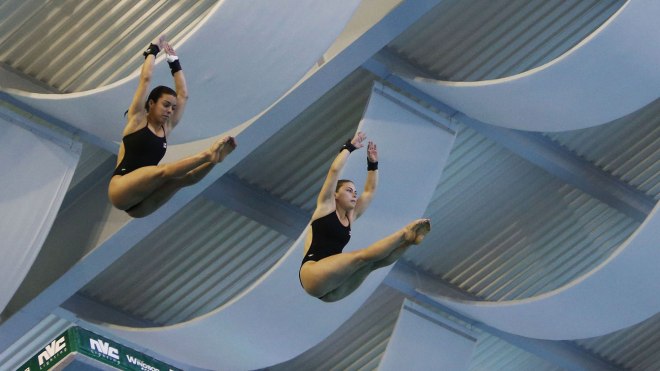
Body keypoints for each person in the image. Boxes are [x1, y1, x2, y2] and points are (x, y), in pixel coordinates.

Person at [108, 35, 236, 218]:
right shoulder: (137, 120)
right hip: (121, 190)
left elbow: (183, 95)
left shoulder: (165, 128)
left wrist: (174, 61)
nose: (170, 111)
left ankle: (214, 160)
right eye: (166, 105)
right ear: (151, 103)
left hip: (141, 207)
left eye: (172, 108)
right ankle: (208, 155)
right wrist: (152, 50)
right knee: (163, 171)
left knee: (183, 179)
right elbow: (145, 79)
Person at [299, 131, 431, 302]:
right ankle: (404, 233)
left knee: (371, 264)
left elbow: (369, 191)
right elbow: (334, 171)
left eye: (355, 192)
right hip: (313, 274)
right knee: (360, 257)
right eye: (349, 191)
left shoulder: (350, 217)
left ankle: (409, 241)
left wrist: (373, 165)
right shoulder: (325, 207)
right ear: (335, 195)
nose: (354, 195)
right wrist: (349, 147)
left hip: (333, 292)